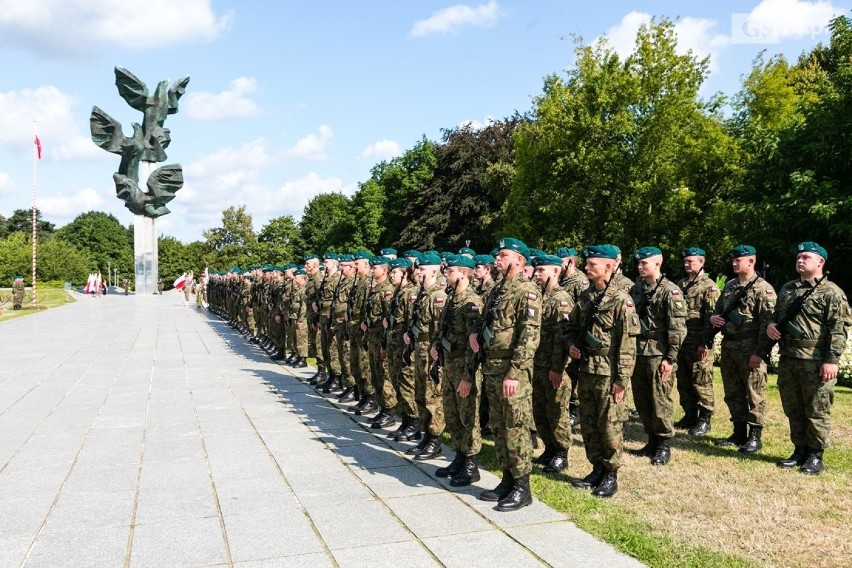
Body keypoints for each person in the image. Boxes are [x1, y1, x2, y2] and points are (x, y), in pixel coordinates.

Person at [763, 242, 850, 475]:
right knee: (793, 407)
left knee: (816, 408)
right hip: (789, 357)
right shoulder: (788, 289)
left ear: (820, 262)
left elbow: (838, 329)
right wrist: (771, 324)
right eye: (798, 257)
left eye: (806, 257)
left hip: (815, 359)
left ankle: (814, 455)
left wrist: (831, 359)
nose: (800, 260)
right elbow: (776, 315)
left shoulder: (831, 292)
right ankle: (799, 449)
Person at [473, 238, 541, 512]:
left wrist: (515, 371)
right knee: (499, 427)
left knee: (516, 429)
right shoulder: (497, 290)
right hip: (492, 367)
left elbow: (529, 335)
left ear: (519, 260)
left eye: (503, 255)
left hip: (513, 372)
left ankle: (522, 488)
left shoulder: (527, 291)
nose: (497, 259)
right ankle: (507, 479)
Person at [564, 245, 637, 498]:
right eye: (586, 263)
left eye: (592, 264)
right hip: (586, 369)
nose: (587, 267)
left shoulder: (620, 299)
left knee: (610, 425)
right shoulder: (585, 297)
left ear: (609, 266)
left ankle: (610, 474)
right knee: (589, 423)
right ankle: (596, 467)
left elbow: (628, 344)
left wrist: (621, 380)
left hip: (608, 373)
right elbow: (570, 328)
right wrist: (571, 345)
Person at [709, 245, 775, 454]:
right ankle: (738, 432)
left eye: (739, 260)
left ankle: (755, 435)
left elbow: (768, 324)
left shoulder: (763, 289)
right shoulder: (729, 286)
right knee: (733, 392)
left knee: (754, 393)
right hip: (730, 345)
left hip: (750, 348)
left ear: (751, 261)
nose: (735, 263)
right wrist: (714, 317)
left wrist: (759, 352)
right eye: (733, 260)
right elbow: (719, 309)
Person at [628, 247, 687, 465]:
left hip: (658, 352)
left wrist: (670, 358)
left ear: (657, 264)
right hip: (637, 351)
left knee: (660, 399)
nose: (640, 267)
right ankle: (651, 440)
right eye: (639, 264)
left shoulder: (670, 291)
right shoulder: (637, 289)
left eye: (644, 263)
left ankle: (663, 444)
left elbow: (678, 329)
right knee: (642, 399)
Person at [432, 254, 485, 486]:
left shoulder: (472, 303)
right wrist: (436, 350)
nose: (446, 273)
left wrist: (468, 376)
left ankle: (471, 465)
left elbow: (474, 346)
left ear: (464, 273)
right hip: (450, 364)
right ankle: (460, 457)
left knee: (468, 417)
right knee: (452, 414)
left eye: (450, 271)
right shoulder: (453, 299)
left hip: (464, 369)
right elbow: (443, 330)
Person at [530, 254, 574, 473]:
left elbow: (563, 338)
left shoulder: (561, 300)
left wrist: (557, 368)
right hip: (537, 364)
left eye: (541, 271)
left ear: (556, 271)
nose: (537, 275)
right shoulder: (539, 297)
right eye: (536, 271)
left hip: (553, 367)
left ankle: (561, 453)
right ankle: (549, 448)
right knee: (540, 410)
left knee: (556, 412)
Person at [404, 252, 448, 460]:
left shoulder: (438, 296)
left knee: (432, 397)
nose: (418, 273)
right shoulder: (424, 294)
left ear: (434, 270)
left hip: (430, 352)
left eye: (422, 270)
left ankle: (435, 440)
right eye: (418, 269)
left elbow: (440, 329)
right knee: (420, 394)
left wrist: (437, 355)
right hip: (419, 350)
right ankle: (426, 435)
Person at [674, 247, 720, 436]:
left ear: (701, 262)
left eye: (691, 261)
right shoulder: (681, 284)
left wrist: (705, 342)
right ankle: (690, 414)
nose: (687, 264)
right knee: (683, 381)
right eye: (685, 261)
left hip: (699, 342)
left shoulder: (709, 287)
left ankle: (704, 418)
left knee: (701, 380)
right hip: (682, 342)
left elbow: (712, 317)